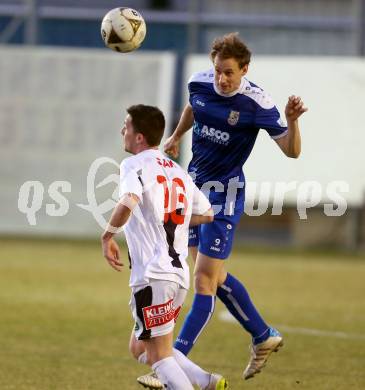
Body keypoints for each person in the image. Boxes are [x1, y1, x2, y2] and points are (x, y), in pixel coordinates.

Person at [137, 32, 307, 388]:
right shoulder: (199, 83)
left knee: (202, 280)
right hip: (195, 190)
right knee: (214, 276)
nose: (221, 78)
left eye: (229, 72)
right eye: (218, 70)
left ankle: (169, 362)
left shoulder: (258, 103)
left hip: (225, 195)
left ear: (244, 69)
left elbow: (292, 151)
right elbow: (192, 107)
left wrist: (293, 121)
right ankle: (262, 334)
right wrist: (176, 136)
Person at [101, 104, 229, 390]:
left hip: (153, 275)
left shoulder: (133, 165)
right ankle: (207, 382)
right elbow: (207, 214)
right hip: (178, 277)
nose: (123, 130)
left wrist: (108, 236)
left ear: (139, 137)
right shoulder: (176, 170)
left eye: (127, 125)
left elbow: (128, 200)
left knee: (158, 358)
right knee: (140, 347)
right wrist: (175, 221)